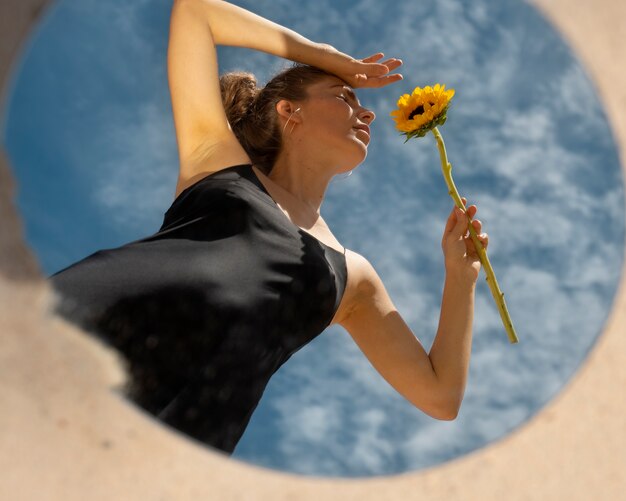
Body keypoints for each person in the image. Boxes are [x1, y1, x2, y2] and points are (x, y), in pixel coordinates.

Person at [49, 0, 488, 456]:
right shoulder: (215, 160)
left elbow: (440, 397)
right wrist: (326, 57)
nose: (369, 113)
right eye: (344, 97)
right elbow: (195, 12)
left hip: (162, 437)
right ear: (288, 111)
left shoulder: (351, 275)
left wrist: (461, 278)